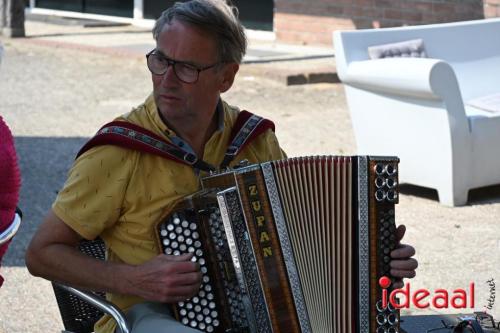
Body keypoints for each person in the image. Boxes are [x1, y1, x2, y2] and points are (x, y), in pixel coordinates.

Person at [25, 1, 418, 332]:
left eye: (187, 68)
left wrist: (371, 255)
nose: (167, 80)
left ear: (226, 77)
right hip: (145, 315)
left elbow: (304, 233)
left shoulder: (254, 139)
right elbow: (41, 254)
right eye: (160, 60)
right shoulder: (116, 152)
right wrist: (133, 279)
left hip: (263, 313)